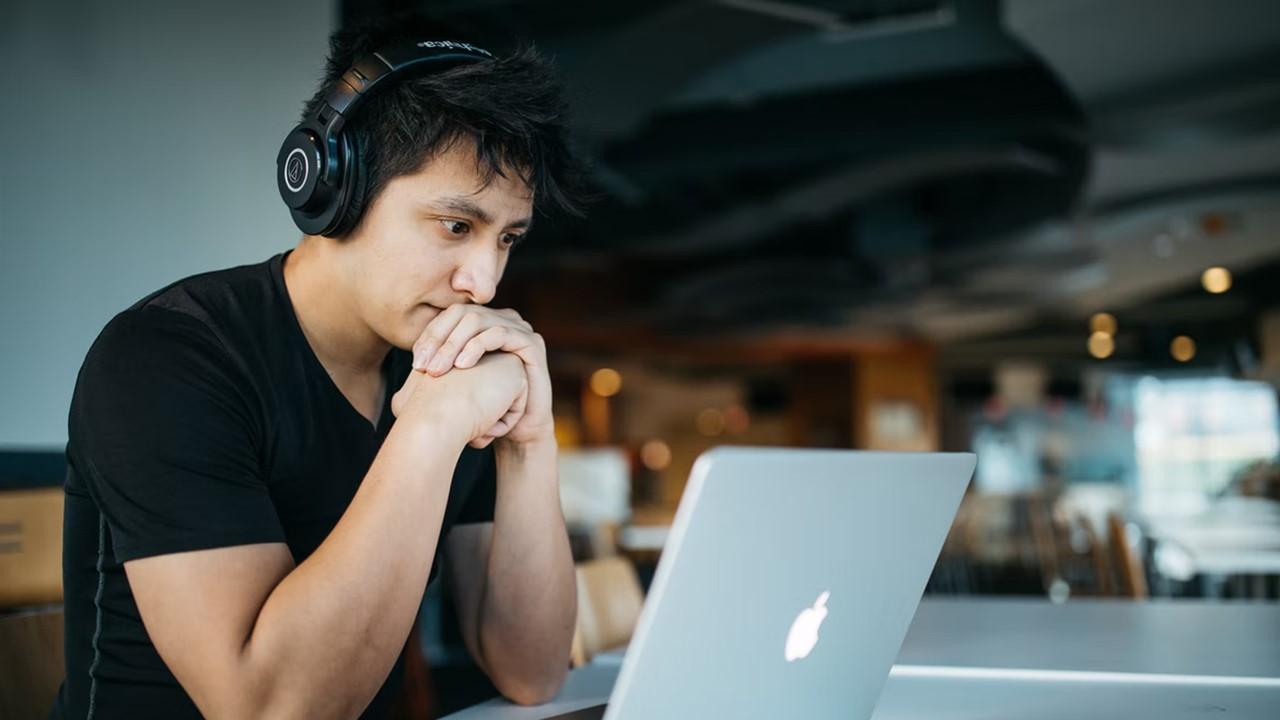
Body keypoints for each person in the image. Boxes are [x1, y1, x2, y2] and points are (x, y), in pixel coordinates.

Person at [54, 15, 585, 719]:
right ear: (336, 187)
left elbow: (532, 671)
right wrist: (429, 430)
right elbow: (270, 708)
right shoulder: (166, 359)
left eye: (507, 238)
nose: (483, 284)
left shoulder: (444, 365)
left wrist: (529, 441)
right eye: (456, 226)